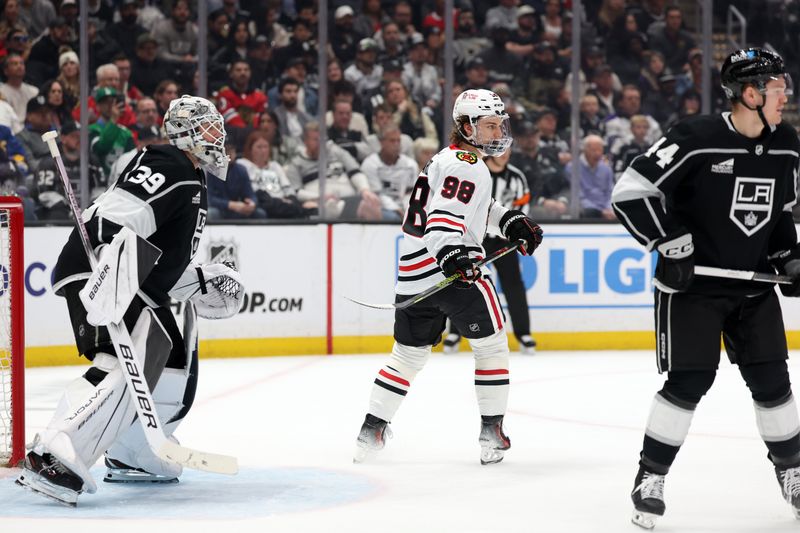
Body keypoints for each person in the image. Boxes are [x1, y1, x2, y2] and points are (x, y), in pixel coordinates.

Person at [16, 94, 242, 506]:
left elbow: (158, 260)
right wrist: (108, 268)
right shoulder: (170, 164)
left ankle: (133, 451)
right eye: (209, 127)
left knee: (172, 358)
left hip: (132, 278)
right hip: (103, 270)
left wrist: (197, 281)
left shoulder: (192, 177)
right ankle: (54, 451)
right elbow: (116, 217)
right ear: (186, 133)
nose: (218, 135)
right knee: (120, 362)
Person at [611, 48, 800, 529]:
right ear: (750, 94)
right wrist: (670, 244)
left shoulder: (787, 145)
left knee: (774, 385)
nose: (786, 95)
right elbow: (631, 192)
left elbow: (778, 215)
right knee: (689, 382)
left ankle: (793, 473)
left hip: (752, 290)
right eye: (778, 88)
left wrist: (789, 258)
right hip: (691, 289)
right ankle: (649, 477)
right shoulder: (696, 138)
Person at [353, 89, 543, 465]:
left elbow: (474, 206)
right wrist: (454, 257)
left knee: (406, 357)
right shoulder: (467, 166)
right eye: (489, 126)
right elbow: (442, 224)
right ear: (466, 126)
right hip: (453, 277)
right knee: (491, 347)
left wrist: (510, 220)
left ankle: (370, 431)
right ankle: (492, 434)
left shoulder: (448, 159)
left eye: (498, 124)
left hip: (412, 277)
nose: (497, 132)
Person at [442, 146, 537, 355]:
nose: (505, 154)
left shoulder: (517, 178)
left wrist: (515, 231)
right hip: (477, 240)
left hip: (504, 241)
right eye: (502, 151)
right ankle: (454, 332)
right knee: (463, 281)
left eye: (509, 151)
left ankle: (523, 333)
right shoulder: (477, 172)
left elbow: (523, 207)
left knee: (514, 285)